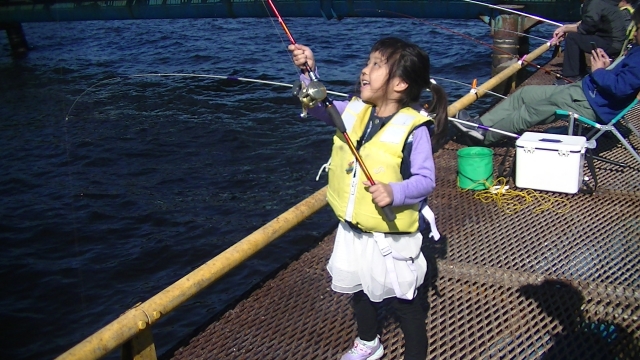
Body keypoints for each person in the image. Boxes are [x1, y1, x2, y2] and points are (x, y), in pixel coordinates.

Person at [288, 37, 449, 360]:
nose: (365, 70)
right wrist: (309, 71)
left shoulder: (414, 129)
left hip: (391, 238)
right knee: (358, 288)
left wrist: (395, 191)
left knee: (408, 306)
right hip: (353, 230)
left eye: (377, 65)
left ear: (400, 83)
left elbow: (426, 181)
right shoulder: (355, 111)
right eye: (368, 62)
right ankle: (369, 342)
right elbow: (319, 107)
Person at [453, 6, 640, 145]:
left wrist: (599, 71)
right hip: (584, 91)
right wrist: (606, 68)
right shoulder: (636, 51)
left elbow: (620, 88)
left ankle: (484, 137)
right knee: (524, 94)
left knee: (530, 111)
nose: (635, 32)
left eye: (638, 28)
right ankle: (480, 124)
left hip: (589, 103)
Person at [551, 0, 629, 84]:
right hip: (615, 41)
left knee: (572, 37)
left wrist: (565, 29)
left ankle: (572, 76)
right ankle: (580, 70)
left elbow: (586, 28)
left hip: (612, 44)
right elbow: (589, 24)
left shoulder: (594, 3)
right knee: (576, 36)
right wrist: (566, 27)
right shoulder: (599, 2)